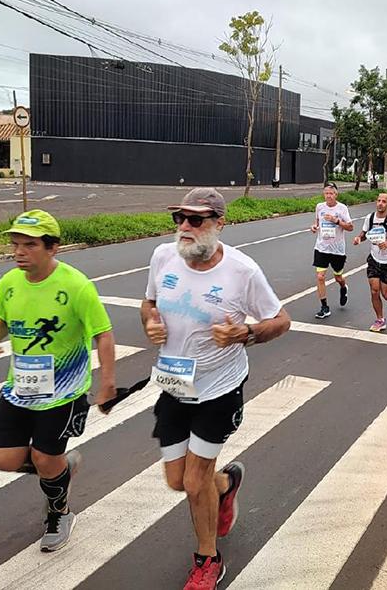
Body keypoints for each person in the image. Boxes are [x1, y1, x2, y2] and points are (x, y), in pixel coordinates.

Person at [142, 187, 291, 590]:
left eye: (196, 220)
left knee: (193, 482)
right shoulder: (163, 257)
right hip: (174, 385)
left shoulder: (242, 272)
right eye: (179, 218)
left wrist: (246, 332)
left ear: (219, 223)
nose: (184, 227)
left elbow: (281, 320)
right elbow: (149, 305)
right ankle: (226, 486)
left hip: (219, 389)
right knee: (178, 480)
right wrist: (150, 323)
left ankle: (208, 559)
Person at [0, 209, 117, 552]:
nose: (19, 252)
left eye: (29, 245)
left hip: (64, 393)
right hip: (20, 388)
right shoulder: (9, 283)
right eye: (15, 244)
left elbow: (103, 334)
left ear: (52, 248)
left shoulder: (76, 286)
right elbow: (0, 314)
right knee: (3, 460)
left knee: (44, 458)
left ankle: (60, 512)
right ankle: (60, 469)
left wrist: (107, 383)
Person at [353, 192, 387, 332]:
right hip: (374, 259)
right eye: (379, 200)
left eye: (384, 201)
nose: (380, 203)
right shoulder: (370, 218)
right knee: (374, 290)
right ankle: (380, 320)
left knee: (386, 294)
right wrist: (359, 238)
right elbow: (365, 233)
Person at [310, 182, 354, 319]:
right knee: (320, 276)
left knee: (338, 277)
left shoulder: (342, 209)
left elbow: (350, 227)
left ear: (336, 194)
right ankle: (324, 307)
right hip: (322, 247)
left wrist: (336, 221)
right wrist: (314, 227)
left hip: (337, 250)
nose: (328, 196)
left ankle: (343, 287)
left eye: (331, 193)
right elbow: (316, 223)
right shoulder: (319, 207)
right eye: (326, 193)